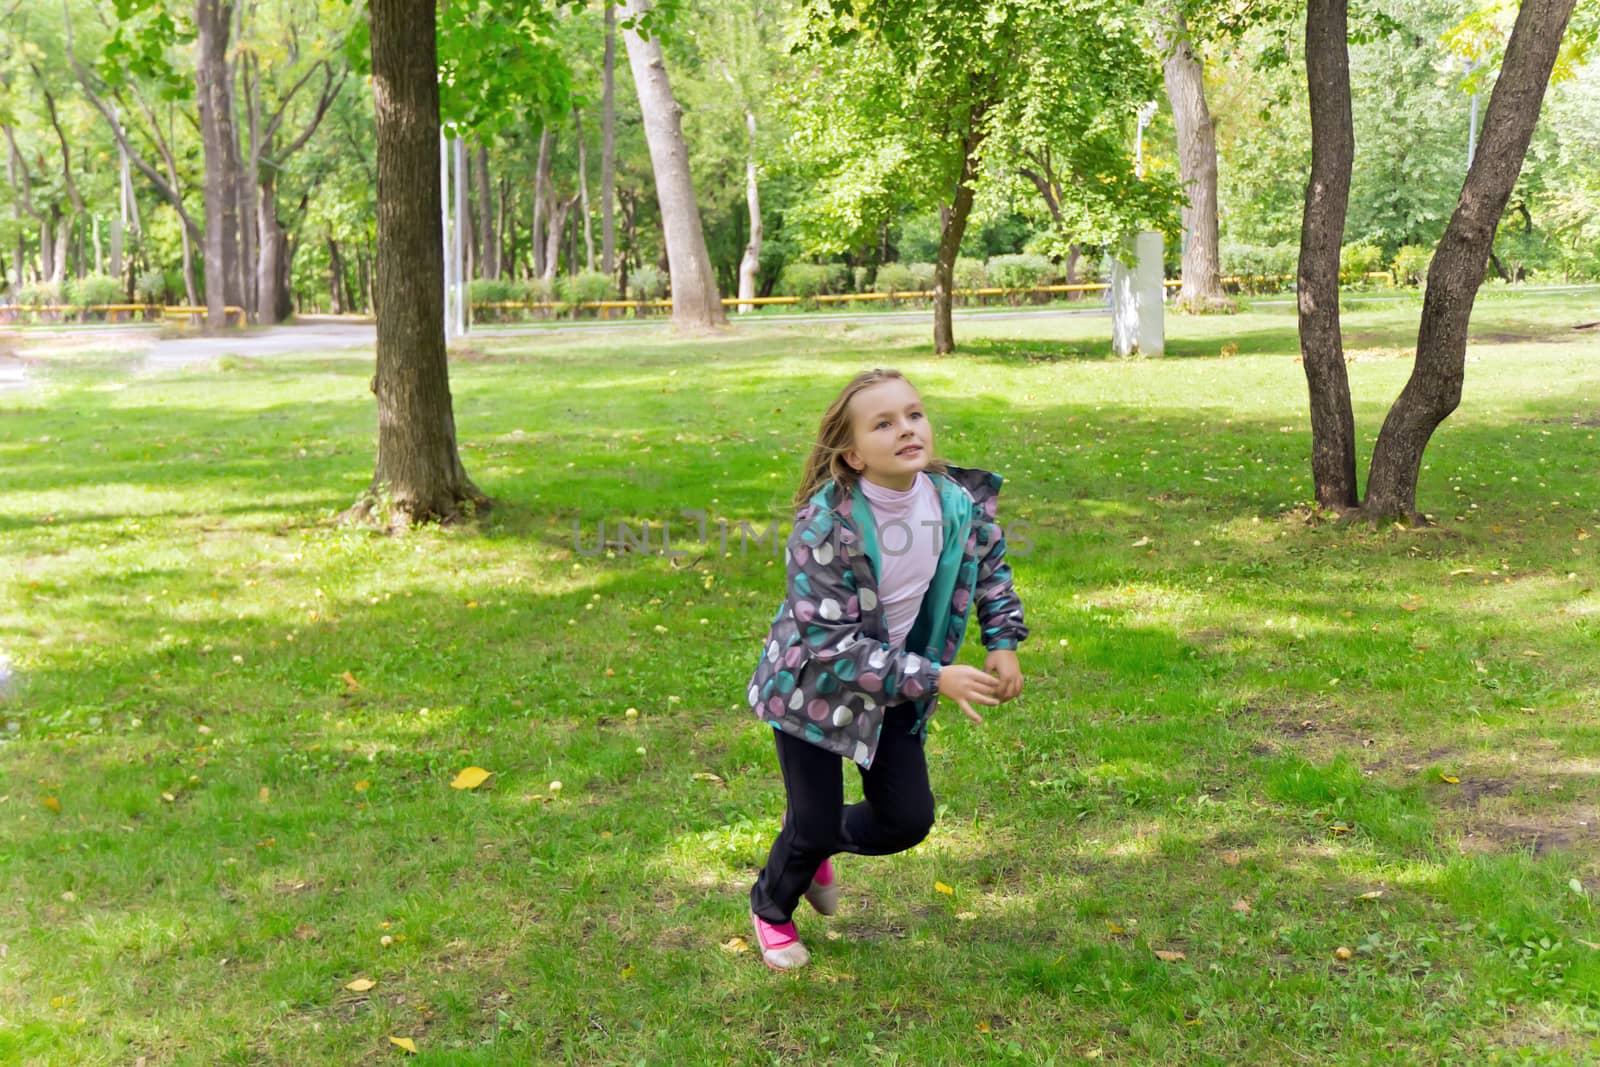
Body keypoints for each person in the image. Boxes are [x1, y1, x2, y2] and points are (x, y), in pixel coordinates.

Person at [745, 368, 1028, 970]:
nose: (906, 429)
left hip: (896, 686)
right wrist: (935, 678)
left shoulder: (956, 502)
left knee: (906, 820)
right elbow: (829, 643)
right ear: (852, 454)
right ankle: (772, 906)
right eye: (883, 423)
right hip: (812, 690)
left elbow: (992, 569)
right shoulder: (825, 525)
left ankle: (814, 843)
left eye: (914, 414)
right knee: (811, 819)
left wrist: (1002, 640)